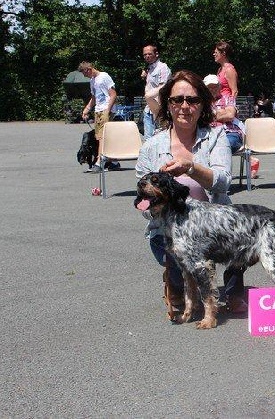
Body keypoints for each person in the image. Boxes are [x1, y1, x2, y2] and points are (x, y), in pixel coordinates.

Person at [135, 70, 247, 314]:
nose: (184, 106)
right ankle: (175, 282)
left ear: (203, 104)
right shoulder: (152, 147)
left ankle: (233, 290)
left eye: (193, 100)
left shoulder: (216, 136)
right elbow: (143, 207)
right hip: (169, 229)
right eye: (177, 100)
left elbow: (223, 182)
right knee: (181, 252)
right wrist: (155, 203)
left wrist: (191, 167)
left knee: (241, 232)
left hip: (214, 226)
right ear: (168, 104)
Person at [79, 61, 120, 173]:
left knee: (101, 136)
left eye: (85, 74)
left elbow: (113, 94)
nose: (85, 76)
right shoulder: (92, 81)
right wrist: (87, 109)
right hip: (98, 110)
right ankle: (114, 162)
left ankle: (99, 162)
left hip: (106, 109)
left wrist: (107, 110)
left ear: (89, 69)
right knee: (101, 137)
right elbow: (94, 97)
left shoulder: (104, 76)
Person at [140, 44, 171, 139]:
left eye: (149, 54)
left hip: (160, 108)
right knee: (148, 139)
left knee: (162, 138)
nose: (147, 56)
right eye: (145, 55)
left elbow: (164, 86)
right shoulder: (149, 68)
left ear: (156, 54)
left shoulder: (163, 67)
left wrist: (148, 96)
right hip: (149, 109)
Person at [213, 40, 238, 107]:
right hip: (219, 103)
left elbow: (234, 91)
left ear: (223, 53)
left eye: (216, 52)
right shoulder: (220, 70)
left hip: (226, 105)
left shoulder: (229, 70)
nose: (214, 54)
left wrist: (230, 107)